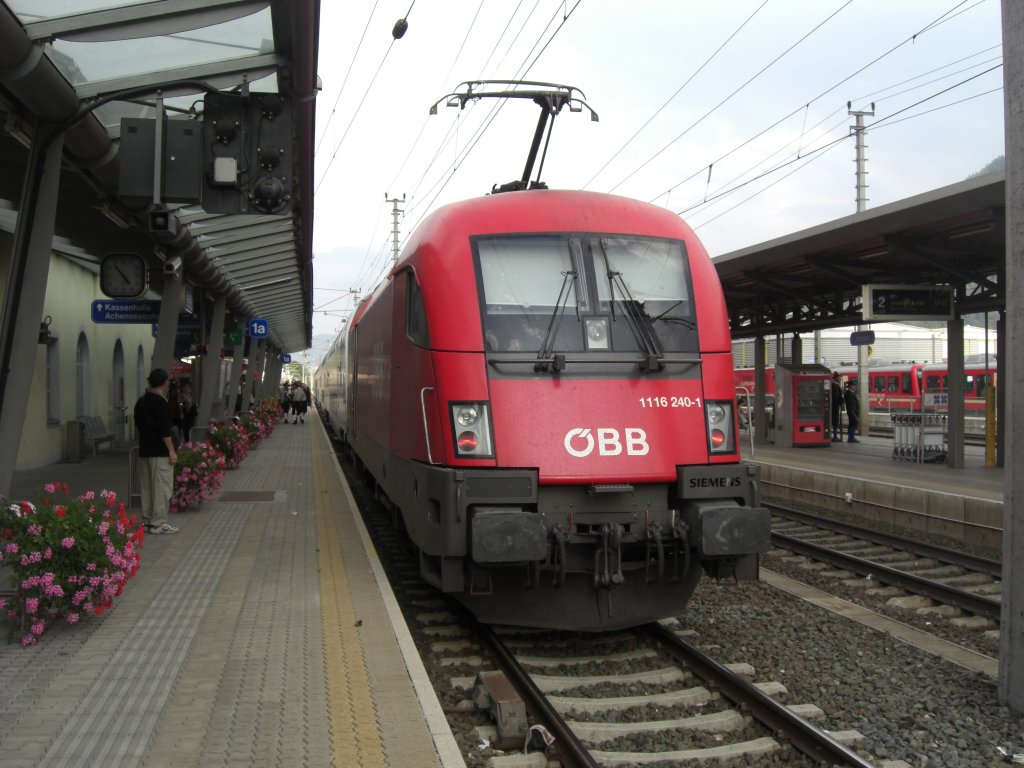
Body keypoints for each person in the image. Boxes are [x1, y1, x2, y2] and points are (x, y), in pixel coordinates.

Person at [134, 368, 179, 534]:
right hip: (160, 452)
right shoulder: (161, 403)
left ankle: (147, 521)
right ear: (164, 383)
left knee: (147, 487)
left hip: (145, 450)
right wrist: (171, 451)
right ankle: (158, 522)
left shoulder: (141, 402)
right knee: (161, 487)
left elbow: (138, 425)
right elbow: (165, 430)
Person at [830, 371, 844, 442]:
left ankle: (834, 436)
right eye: (839, 377)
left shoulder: (835, 385)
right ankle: (834, 436)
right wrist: (840, 402)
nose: (840, 379)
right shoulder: (835, 386)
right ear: (835, 378)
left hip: (835, 407)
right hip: (834, 407)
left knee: (834, 422)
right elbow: (836, 397)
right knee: (834, 422)